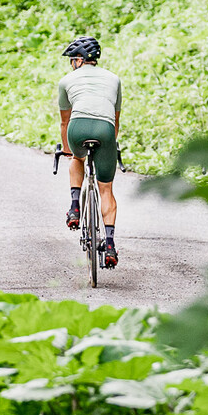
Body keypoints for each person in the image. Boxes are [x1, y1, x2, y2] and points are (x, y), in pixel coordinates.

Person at [57, 36, 121, 268]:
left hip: (77, 127)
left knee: (76, 157)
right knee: (106, 189)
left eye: (72, 60)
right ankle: (111, 244)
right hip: (105, 130)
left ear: (79, 60)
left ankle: (75, 206)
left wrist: (66, 149)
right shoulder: (114, 79)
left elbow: (65, 122)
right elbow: (115, 119)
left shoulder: (66, 80)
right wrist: (110, 146)